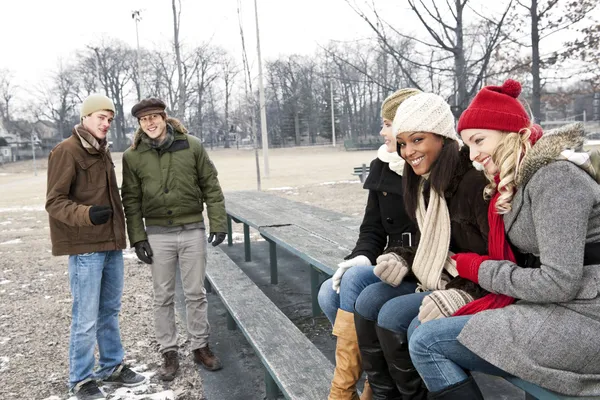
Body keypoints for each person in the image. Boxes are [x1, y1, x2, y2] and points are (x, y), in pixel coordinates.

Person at [408, 79, 600, 398]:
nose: (474, 155)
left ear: (510, 133)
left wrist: (478, 269)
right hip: (558, 305)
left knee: (427, 341)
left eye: (479, 140)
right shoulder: (515, 184)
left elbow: (559, 282)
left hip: (587, 314)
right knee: (420, 328)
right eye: (468, 145)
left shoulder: (556, 179)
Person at [353, 92, 491, 399]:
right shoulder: (423, 181)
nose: (408, 151)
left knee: (396, 317)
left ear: (442, 137)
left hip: (477, 285)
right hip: (441, 274)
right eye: (403, 142)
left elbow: (499, 256)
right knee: (366, 299)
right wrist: (402, 257)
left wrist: (463, 294)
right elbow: (431, 242)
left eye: (417, 140)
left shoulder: (472, 181)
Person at [317, 88, 420, 400]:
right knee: (327, 293)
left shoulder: (426, 166)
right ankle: (375, 378)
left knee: (356, 282)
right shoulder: (383, 163)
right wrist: (363, 255)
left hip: (419, 267)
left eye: (388, 123)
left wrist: (390, 261)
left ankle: (344, 391)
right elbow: (372, 228)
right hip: (389, 262)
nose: (382, 131)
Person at [46, 94, 146, 400]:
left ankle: (112, 366)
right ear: (85, 117)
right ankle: (81, 379)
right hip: (86, 247)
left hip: (111, 243)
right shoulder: (67, 151)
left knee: (109, 311)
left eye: (110, 119)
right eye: (101, 117)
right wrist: (87, 215)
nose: (106, 124)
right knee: (86, 316)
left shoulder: (101, 151)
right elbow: (55, 202)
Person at [121, 98, 228, 381]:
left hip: (192, 229)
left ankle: (200, 346)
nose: (150, 123)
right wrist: (137, 237)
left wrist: (218, 220)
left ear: (164, 117)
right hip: (157, 234)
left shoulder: (191, 145)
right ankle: (169, 352)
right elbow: (130, 200)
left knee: (195, 293)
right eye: (144, 120)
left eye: (154, 117)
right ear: (140, 124)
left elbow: (211, 186)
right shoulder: (132, 156)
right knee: (163, 296)